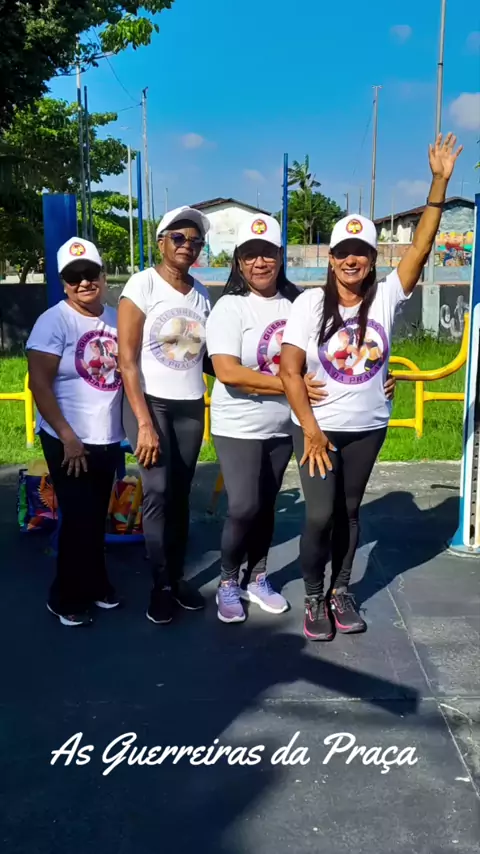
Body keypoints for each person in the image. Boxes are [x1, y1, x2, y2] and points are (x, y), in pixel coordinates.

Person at [280, 133, 463, 641]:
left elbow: (421, 247)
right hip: (316, 429)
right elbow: (289, 371)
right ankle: (313, 596)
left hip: (367, 427)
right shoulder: (308, 305)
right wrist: (311, 430)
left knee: (349, 512)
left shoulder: (385, 298)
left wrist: (438, 183)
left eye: (361, 252)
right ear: (331, 258)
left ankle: (341, 591)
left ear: (371, 259)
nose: (352, 260)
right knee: (320, 515)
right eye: (343, 252)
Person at [206, 214, 397, 624]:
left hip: (284, 424)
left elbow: (333, 353)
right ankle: (227, 581)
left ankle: (258, 576)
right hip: (239, 424)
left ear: (280, 257)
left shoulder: (299, 302)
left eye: (267, 253)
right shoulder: (230, 306)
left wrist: (378, 373)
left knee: (267, 506)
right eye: (250, 255)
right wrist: (290, 383)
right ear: (238, 262)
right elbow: (227, 372)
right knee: (243, 506)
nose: (259, 262)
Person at [118, 205, 211, 625]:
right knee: (156, 491)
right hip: (150, 404)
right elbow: (127, 360)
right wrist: (143, 423)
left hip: (190, 405)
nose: (187, 245)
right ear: (161, 242)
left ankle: (176, 576)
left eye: (195, 240)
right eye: (178, 237)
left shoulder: (202, 293)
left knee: (180, 495)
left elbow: (206, 356)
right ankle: (159, 585)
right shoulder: (143, 284)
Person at [27, 237, 124, 627]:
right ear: (64, 283)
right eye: (73, 277)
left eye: (90, 274)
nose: (84, 282)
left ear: (102, 275)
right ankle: (65, 595)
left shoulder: (116, 318)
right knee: (79, 517)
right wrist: (67, 436)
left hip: (107, 435)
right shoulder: (54, 321)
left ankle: (96, 582)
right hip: (68, 438)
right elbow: (39, 384)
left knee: (96, 515)